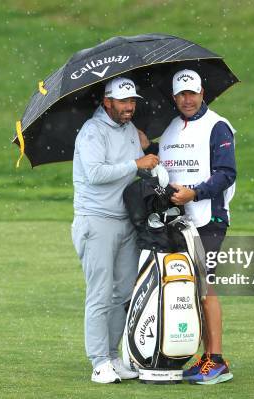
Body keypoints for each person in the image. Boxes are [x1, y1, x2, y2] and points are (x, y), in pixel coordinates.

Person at [71, 76, 159, 384]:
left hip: (126, 221)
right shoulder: (91, 132)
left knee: (123, 293)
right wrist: (136, 162)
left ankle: (111, 356)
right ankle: (98, 363)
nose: (129, 107)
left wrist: (147, 155)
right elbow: (95, 173)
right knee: (100, 293)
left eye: (132, 101)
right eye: (123, 102)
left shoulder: (131, 132)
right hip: (96, 221)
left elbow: (139, 163)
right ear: (107, 102)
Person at [157, 69, 237, 385]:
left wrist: (195, 192)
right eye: (181, 94)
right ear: (174, 97)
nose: (187, 99)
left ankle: (216, 359)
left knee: (204, 287)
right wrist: (148, 148)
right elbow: (166, 167)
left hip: (210, 219)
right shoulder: (171, 130)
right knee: (190, 288)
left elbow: (226, 174)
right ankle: (205, 358)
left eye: (192, 93)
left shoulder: (217, 126)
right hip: (181, 220)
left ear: (202, 92)